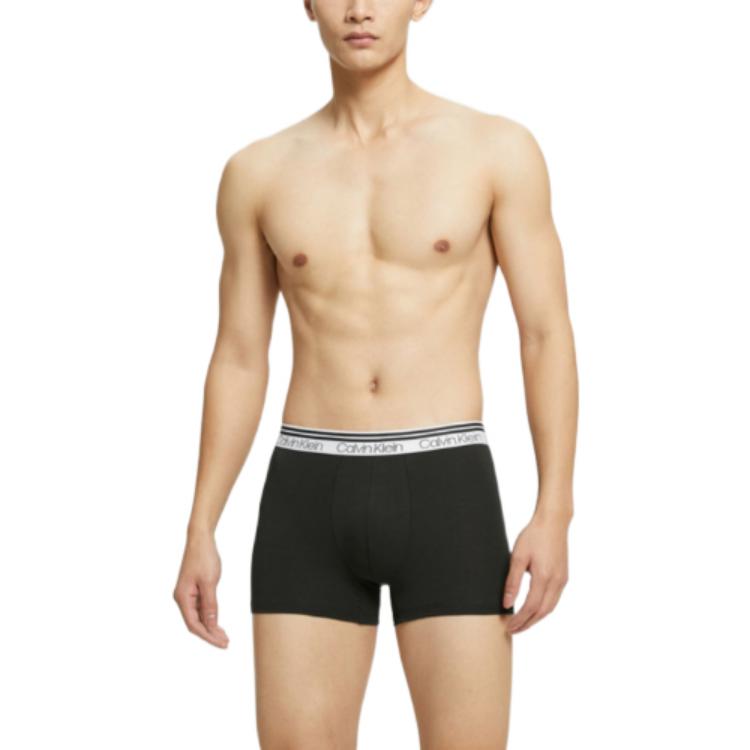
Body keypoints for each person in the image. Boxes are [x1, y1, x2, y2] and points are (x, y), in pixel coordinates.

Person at [173, 1, 578, 747]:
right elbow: (238, 355)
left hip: (448, 486)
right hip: (306, 491)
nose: (359, 8)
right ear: (307, 5)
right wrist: (201, 523)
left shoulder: (495, 151)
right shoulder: (258, 172)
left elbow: (544, 335)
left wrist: (555, 509)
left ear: (421, 1)